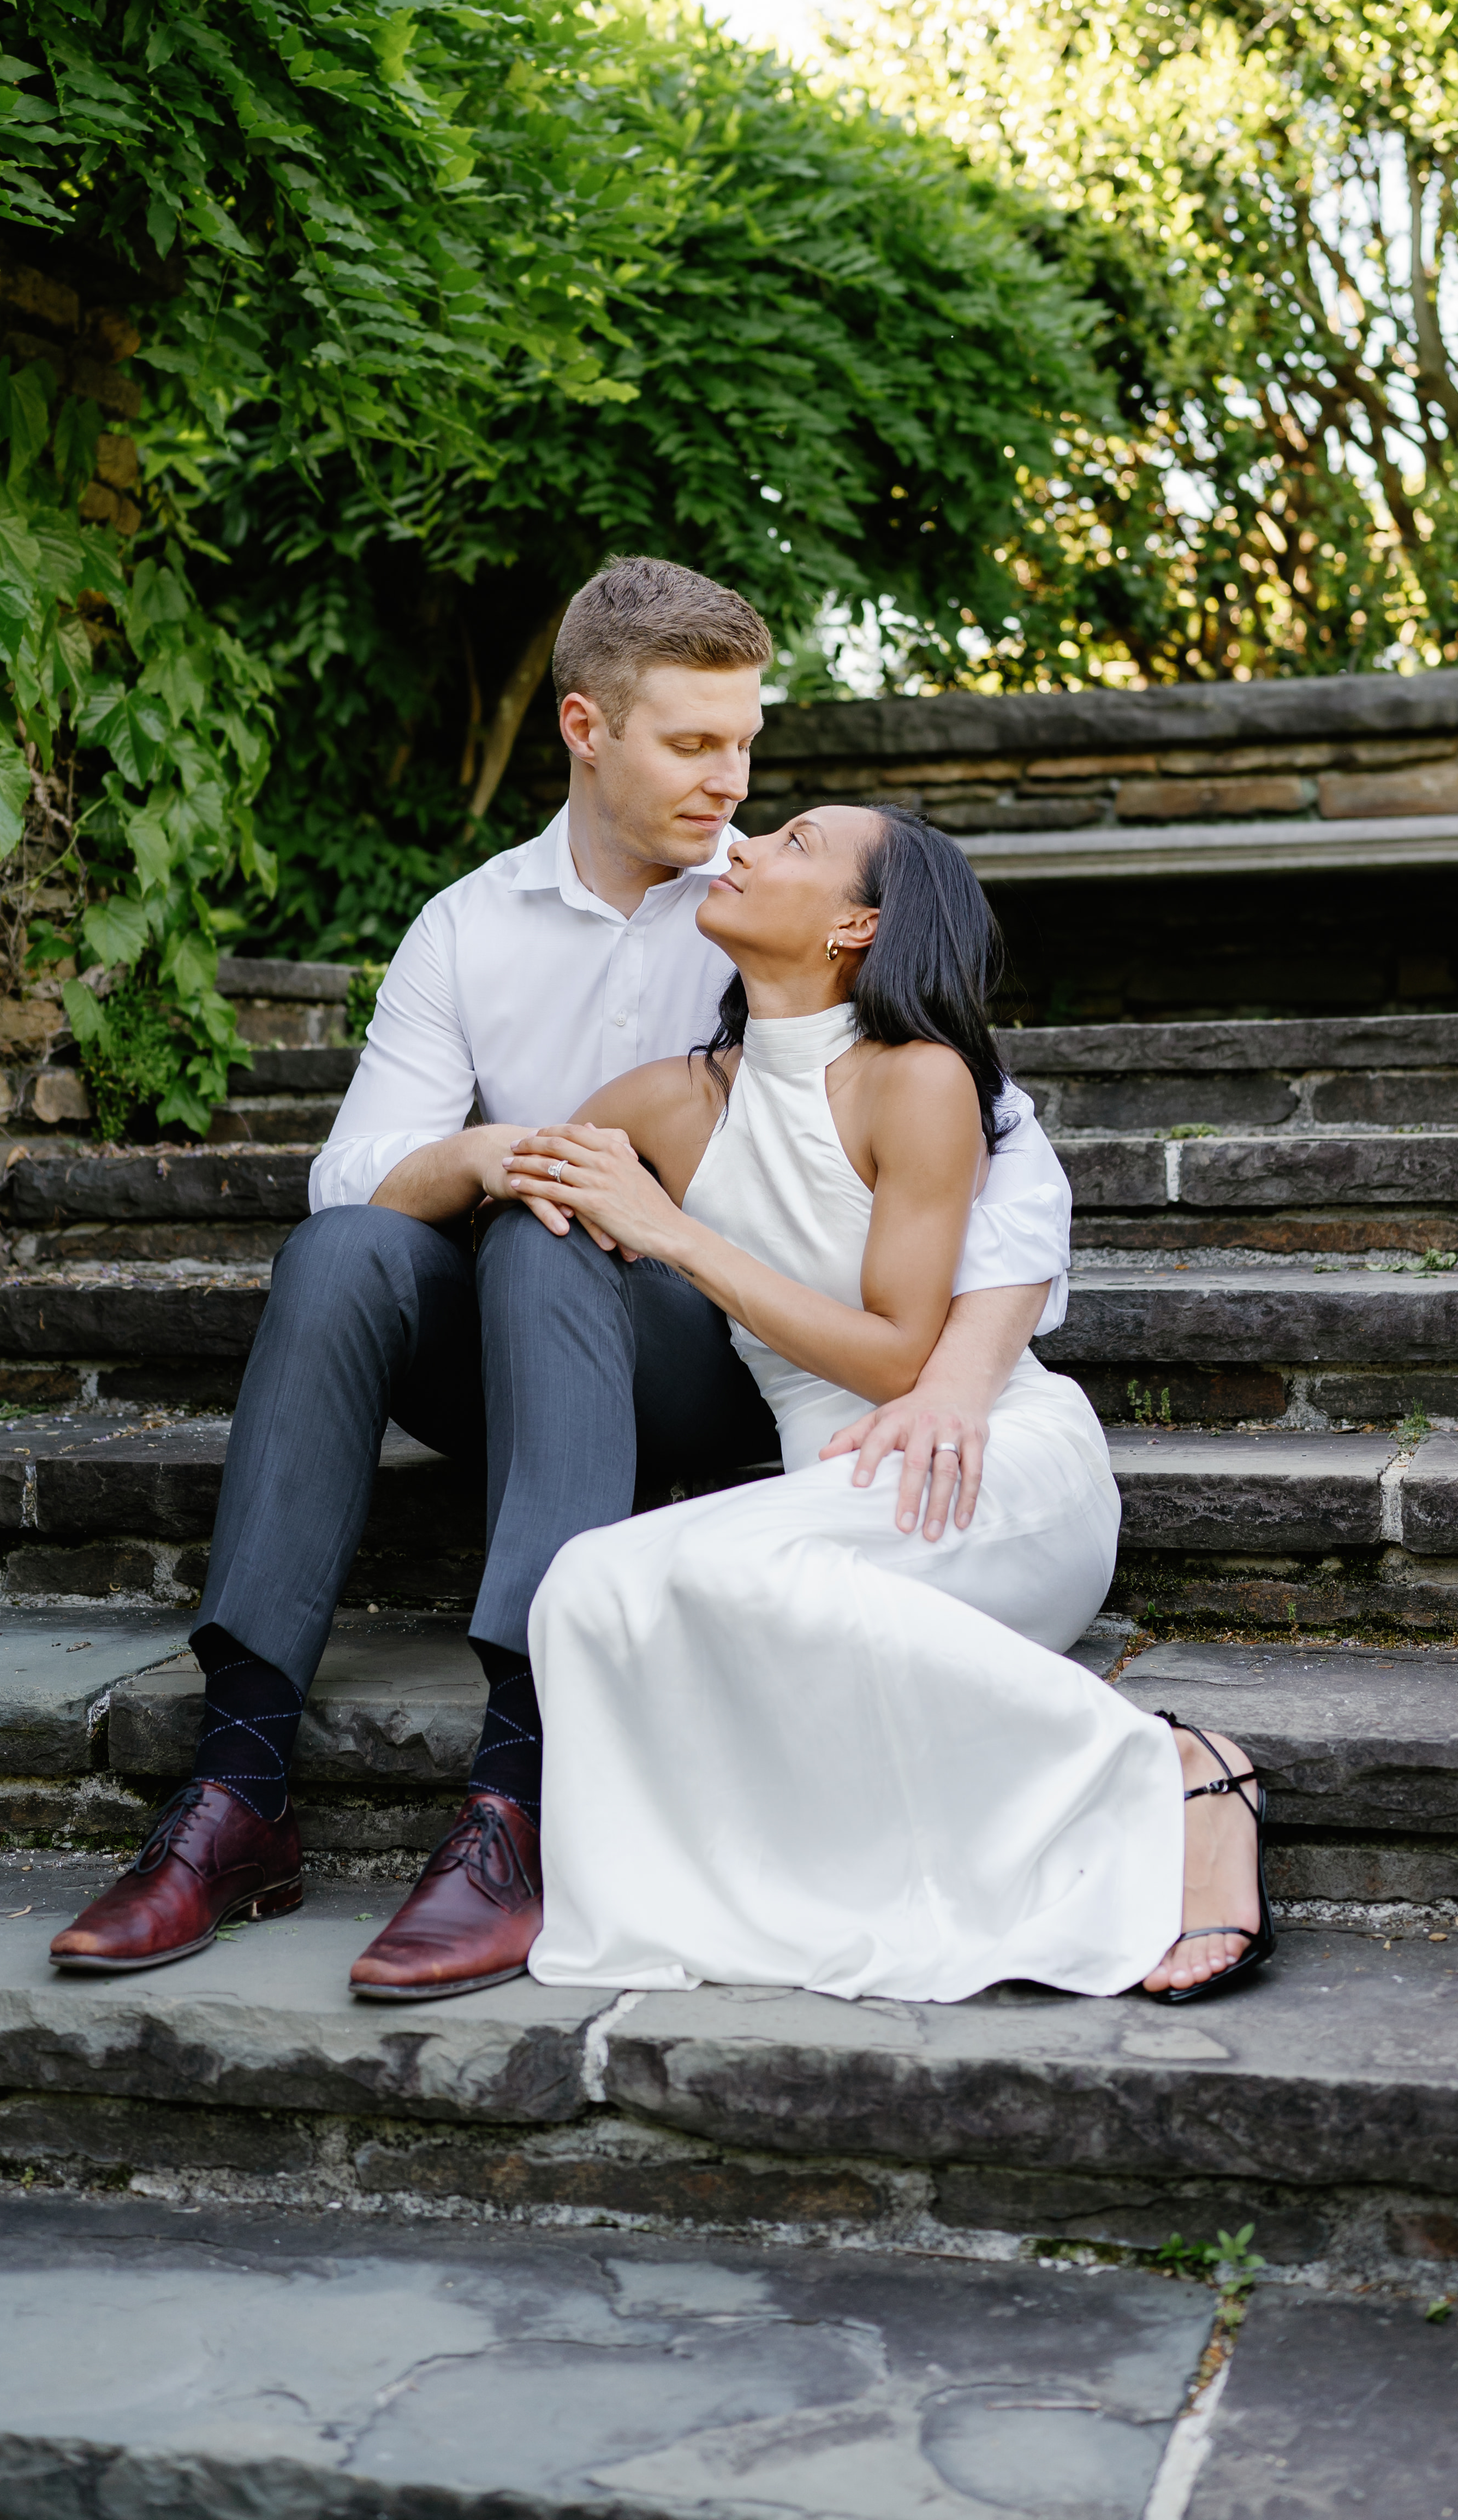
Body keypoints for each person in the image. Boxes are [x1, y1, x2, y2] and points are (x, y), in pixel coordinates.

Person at [51, 558, 1078, 1993]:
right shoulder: (469, 928)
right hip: (511, 1358)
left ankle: (519, 1799)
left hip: (715, 1366)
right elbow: (353, 1180)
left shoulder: (766, 908)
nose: (732, 787)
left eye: (747, 747)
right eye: (693, 745)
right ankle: (235, 1793)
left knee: (553, 1235)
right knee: (356, 1244)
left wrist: (957, 1377)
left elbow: (1011, 1172)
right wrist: (491, 1155)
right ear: (588, 730)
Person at [505, 803, 1273, 2006]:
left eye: (793, 843)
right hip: (830, 1494)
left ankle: (1177, 1769)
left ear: (856, 927)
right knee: (585, 1587)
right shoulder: (661, 1099)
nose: (742, 846)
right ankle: (744, 1904)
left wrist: (665, 1233)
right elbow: (500, 1186)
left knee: (733, 1582)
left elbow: (900, 1360)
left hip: (975, 1464)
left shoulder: (918, 1080)